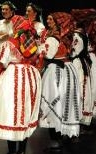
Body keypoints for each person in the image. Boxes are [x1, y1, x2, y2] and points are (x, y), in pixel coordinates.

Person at [0, 17, 42, 154]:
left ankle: (12, 150)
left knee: (11, 109)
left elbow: (2, 61)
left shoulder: (11, 42)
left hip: (12, 76)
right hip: (30, 75)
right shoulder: (33, 41)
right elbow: (38, 57)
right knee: (25, 109)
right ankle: (22, 150)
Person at [38, 12, 81, 151]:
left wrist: (38, 47)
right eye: (48, 18)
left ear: (58, 22)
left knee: (53, 100)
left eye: (51, 19)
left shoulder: (53, 38)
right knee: (65, 101)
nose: (48, 21)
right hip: (68, 69)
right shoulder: (68, 36)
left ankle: (56, 138)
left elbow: (48, 54)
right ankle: (66, 133)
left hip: (56, 71)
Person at [70, 8, 96, 120]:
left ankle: (88, 114)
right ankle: (87, 115)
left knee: (90, 86)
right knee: (89, 86)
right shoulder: (85, 32)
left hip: (87, 60)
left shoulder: (83, 33)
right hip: (89, 59)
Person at [69, 23, 93, 133]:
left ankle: (77, 120)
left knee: (78, 89)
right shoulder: (82, 34)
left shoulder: (76, 35)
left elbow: (74, 50)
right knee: (83, 90)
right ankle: (80, 121)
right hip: (81, 62)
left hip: (77, 64)